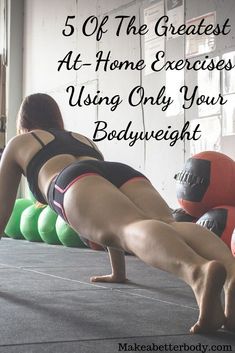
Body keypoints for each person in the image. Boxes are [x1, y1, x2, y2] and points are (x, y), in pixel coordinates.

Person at [0, 93, 234, 334]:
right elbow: (109, 200)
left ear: (24, 120)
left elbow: (2, 211)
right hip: (119, 171)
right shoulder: (82, 139)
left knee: (128, 227)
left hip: (69, 179)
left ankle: (197, 272)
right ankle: (232, 275)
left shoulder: (20, 142)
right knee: (166, 222)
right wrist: (118, 272)